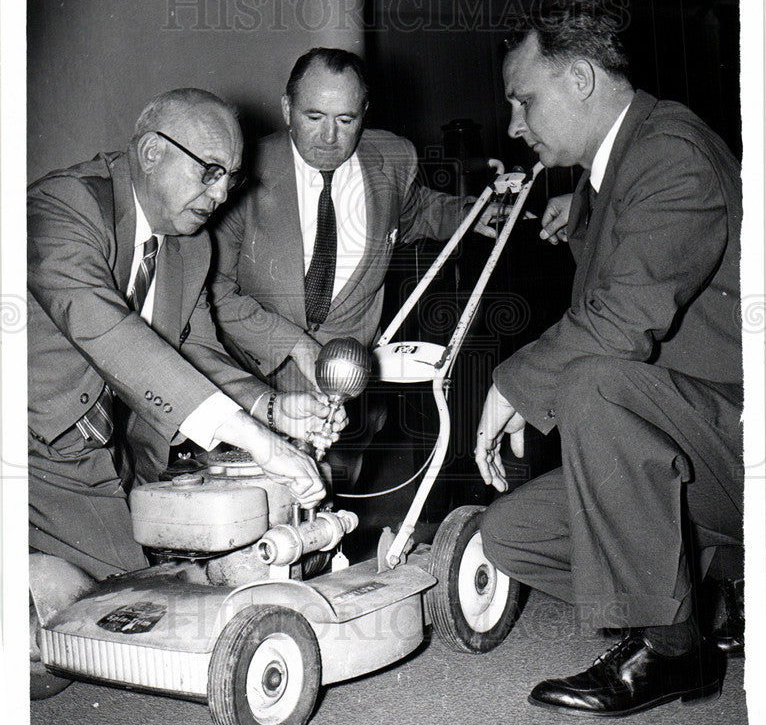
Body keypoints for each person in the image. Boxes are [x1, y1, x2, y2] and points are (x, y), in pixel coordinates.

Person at [474, 5, 743, 717]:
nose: (514, 124)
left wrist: (512, 385)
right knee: (509, 536)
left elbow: (625, 319)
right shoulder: (616, 168)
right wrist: (581, 217)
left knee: (595, 381)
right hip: (702, 450)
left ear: (582, 79)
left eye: (524, 100)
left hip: (743, 442)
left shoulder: (672, 152)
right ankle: (714, 597)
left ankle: (672, 648)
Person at [28, 88, 343, 582]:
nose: (221, 195)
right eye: (210, 171)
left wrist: (272, 409)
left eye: (231, 179)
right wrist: (259, 441)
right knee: (130, 601)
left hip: (109, 446)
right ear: (153, 153)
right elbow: (106, 329)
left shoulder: (191, 245)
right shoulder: (63, 206)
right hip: (30, 444)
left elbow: (193, 345)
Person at [211, 48, 496, 480]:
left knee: (334, 508)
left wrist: (475, 213)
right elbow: (215, 292)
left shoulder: (393, 157)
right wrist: (298, 347)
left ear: (364, 114)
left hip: (349, 391)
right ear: (287, 108)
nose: (329, 137)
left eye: (345, 120)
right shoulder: (242, 172)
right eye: (313, 117)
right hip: (252, 377)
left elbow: (415, 210)